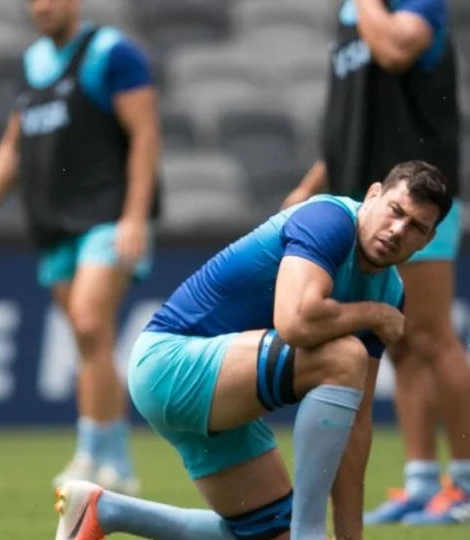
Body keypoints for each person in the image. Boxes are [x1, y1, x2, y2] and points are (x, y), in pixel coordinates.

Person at [54, 161, 453, 540]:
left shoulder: (390, 292)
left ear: (428, 240)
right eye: (395, 211)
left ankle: (104, 511)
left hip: (219, 393)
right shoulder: (329, 220)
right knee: (345, 356)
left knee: (266, 535)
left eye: (416, 227)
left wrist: (351, 537)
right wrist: (372, 314)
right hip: (169, 363)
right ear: (373, 194)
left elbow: (357, 420)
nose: (398, 229)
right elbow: (294, 321)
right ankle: (308, 534)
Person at [0, 0, 160, 495]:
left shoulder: (112, 53)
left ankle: (92, 454)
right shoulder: (34, 62)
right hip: (56, 223)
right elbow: (14, 147)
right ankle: (114, 461)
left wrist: (135, 216)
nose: (41, 6)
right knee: (91, 342)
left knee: (88, 322)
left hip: (108, 216)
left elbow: (146, 134)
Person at [281, 0, 470, 525]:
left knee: (432, 336)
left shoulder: (416, 6)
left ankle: (466, 483)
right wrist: (310, 186)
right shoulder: (352, 16)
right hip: (371, 203)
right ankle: (421, 482)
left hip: (418, 206)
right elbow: (349, 122)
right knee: (400, 340)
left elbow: (394, 50)